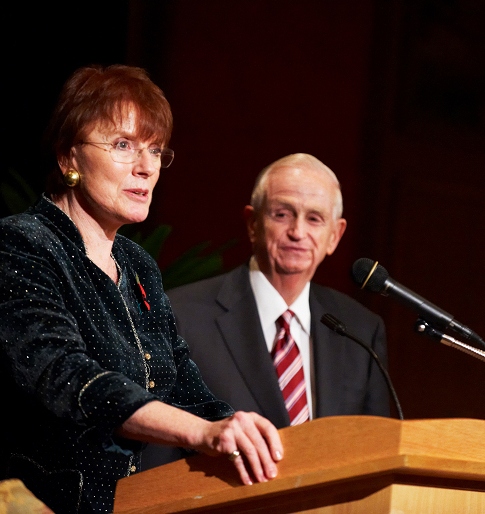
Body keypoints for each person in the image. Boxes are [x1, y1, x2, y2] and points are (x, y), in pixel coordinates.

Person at [0, 65, 283, 514]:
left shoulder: (138, 267)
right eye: (123, 145)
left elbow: (186, 392)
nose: (146, 167)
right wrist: (200, 434)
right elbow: (65, 376)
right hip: (1, 502)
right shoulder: (16, 245)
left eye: (155, 150)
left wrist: (249, 436)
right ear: (68, 157)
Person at [142, 153, 389, 469]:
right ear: (252, 223)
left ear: (335, 235)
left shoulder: (361, 329)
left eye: (314, 218)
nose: (298, 232)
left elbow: (374, 455)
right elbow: (154, 456)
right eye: (282, 214)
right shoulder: (181, 315)